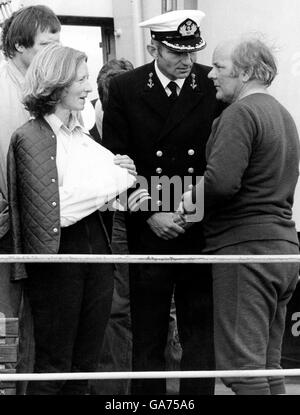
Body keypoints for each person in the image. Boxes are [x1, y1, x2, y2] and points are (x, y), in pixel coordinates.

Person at [102, 10, 224, 395]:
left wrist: (186, 213)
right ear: (154, 46)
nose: (186, 61)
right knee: (148, 333)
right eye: (176, 52)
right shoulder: (125, 88)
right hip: (148, 227)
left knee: (199, 332)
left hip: (197, 223)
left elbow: (220, 160)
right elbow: (117, 162)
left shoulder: (212, 84)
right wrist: (152, 213)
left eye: (192, 52)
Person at [7, 43, 136, 395]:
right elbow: (58, 212)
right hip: (57, 262)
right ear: (57, 83)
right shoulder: (29, 137)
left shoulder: (82, 135)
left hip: (96, 257)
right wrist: (110, 182)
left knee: (84, 368)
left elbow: (122, 188)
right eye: (80, 79)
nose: (89, 88)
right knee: (54, 368)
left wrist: (111, 182)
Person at [181, 36, 300, 395]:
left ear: (246, 71)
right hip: (284, 251)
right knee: (267, 365)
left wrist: (186, 201)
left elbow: (220, 182)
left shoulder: (240, 114)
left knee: (241, 371)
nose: (211, 75)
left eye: (219, 67)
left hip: (246, 252)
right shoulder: (282, 115)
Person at [0, 5, 61, 393]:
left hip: (44, 227)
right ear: (20, 45)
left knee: (38, 324)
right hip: (5, 224)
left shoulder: (57, 87)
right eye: (45, 44)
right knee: (5, 322)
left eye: (58, 43)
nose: (54, 51)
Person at [89, 58, 134, 395]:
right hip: (108, 226)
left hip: (142, 218)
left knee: (165, 309)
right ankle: (114, 394)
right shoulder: (86, 143)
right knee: (114, 310)